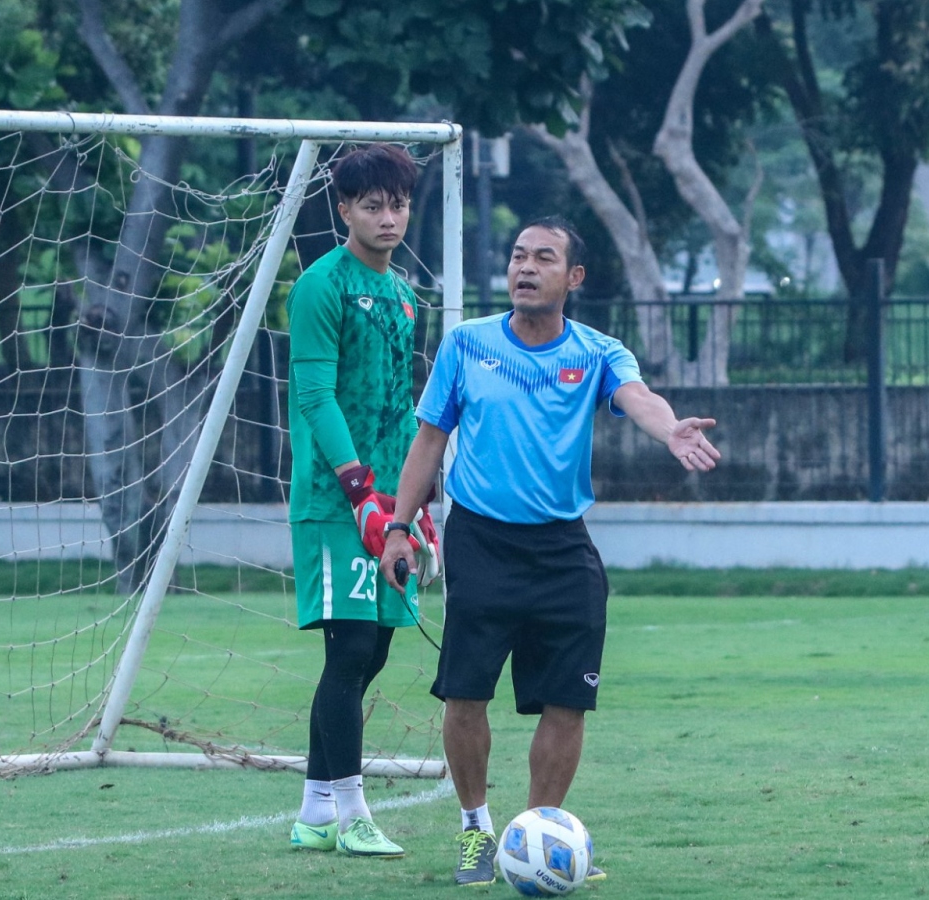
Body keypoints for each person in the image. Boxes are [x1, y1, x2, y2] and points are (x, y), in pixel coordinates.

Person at [379, 217, 721, 885]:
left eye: (543, 257)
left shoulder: (597, 351)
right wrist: (399, 525)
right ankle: (476, 831)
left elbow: (637, 397)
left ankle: (536, 837)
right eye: (517, 256)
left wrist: (670, 429)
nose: (525, 268)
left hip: (563, 548)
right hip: (481, 540)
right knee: (465, 695)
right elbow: (429, 442)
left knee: (568, 701)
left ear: (574, 277)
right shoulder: (467, 344)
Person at [284, 143, 438, 859]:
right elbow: (316, 396)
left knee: (371, 652)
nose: (388, 217)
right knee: (348, 651)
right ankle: (352, 816)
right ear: (344, 209)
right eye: (372, 205)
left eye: (397, 204)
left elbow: (403, 408)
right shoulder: (321, 286)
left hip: (389, 506)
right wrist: (360, 494)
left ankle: (314, 812)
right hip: (335, 502)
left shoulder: (405, 296)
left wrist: (414, 503)